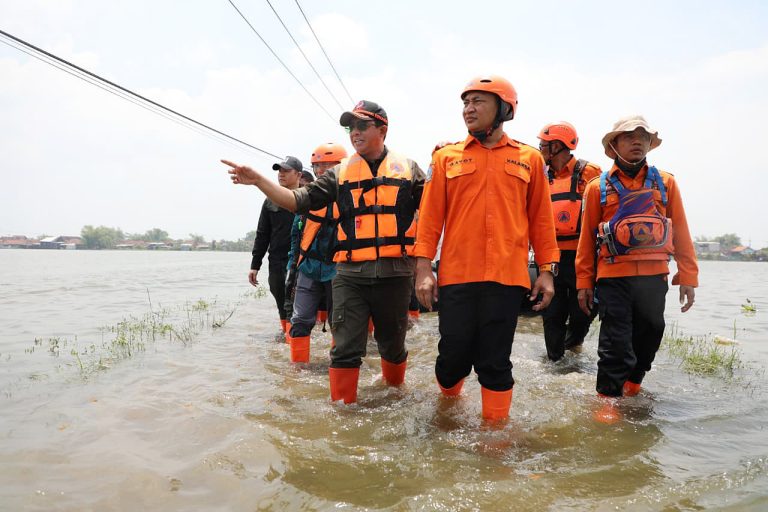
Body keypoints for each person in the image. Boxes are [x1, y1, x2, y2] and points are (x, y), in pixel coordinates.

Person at [224, 100, 425, 404]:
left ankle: (394, 396)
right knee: (343, 348)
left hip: (395, 274)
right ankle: (343, 415)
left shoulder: (409, 170)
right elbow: (297, 200)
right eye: (350, 127)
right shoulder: (339, 174)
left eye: (361, 126)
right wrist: (259, 182)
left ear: (381, 129)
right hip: (349, 275)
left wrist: (424, 267)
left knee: (392, 345)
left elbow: (436, 211)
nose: (354, 133)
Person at [414, 75, 559, 422]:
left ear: (503, 109)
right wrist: (422, 271)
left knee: (495, 361)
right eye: (466, 102)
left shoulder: (529, 159)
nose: (469, 109)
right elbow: (430, 219)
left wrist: (547, 272)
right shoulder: (446, 158)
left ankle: (495, 439)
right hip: (457, 276)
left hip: (507, 277)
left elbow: (542, 220)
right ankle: (448, 408)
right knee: (452, 360)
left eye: (478, 101)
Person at [575, 115, 698, 423]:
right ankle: (608, 399)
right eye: (629, 136)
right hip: (613, 277)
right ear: (614, 144)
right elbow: (586, 239)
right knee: (615, 341)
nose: (637, 141)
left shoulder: (666, 182)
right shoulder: (596, 188)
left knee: (651, 332)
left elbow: (681, 229)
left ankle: (633, 385)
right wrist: (583, 281)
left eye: (643, 136)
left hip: (655, 276)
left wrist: (687, 275)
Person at [537, 121, 601, 361]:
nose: (540, 149)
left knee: (582, 312)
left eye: (544, 145)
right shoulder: (540, 174)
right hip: (551, 257)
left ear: (558, 146)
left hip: (582, 257)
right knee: (551, 313)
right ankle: (555, 362)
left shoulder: (591, 173)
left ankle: (574, 344)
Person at [284, 143, 348, 363]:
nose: (320, 171)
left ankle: (338, 366)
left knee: (338, 322)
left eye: (325, 166)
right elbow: (296, 236)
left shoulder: (352, 196)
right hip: (308, 268)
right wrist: (292, 267)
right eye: (316, 166)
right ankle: (297, 371)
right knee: (300, 319)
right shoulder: (309, 197)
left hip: (339, 270)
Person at [249, 155, 302, 335]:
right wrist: (255, 265)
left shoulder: (308, 198)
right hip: (277, 262)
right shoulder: (270, 200)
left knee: (296, 305)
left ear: (299, 175)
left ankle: (295, 344)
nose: (281, 174)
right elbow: (262, 234)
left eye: (286, 171)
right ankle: (286, 338)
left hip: (301, 262)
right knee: (281, 300)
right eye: (279, 171)